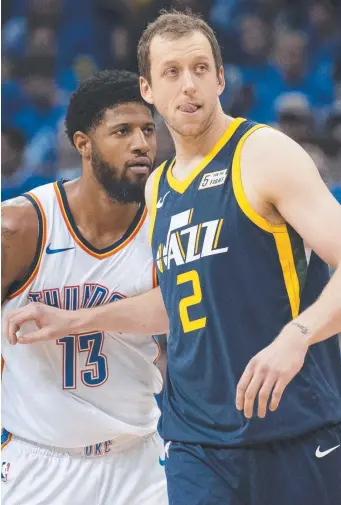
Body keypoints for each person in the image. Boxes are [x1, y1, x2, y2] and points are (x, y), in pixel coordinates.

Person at [5, 11, 341, 505]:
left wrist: (297, 336)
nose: (189, 86)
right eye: (172, 72)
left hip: (292, 427)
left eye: (201, 69)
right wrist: (78, 319)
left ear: (221, 78)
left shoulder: (264, 153)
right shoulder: (160, 187)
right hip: (196, 445)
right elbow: (177, 299)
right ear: (148, 88)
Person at [1, 70, 167, 505]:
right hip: (39, 462)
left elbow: (186, 309)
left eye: (148, 130)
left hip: (139, 463)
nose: (141, 144)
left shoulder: (166, 224)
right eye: (123, 131)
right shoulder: (22, 227)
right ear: (83, 143)